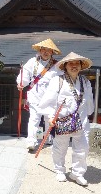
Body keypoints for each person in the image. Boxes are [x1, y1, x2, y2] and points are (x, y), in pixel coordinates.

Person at [38, 52, 95, 186]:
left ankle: (77, 173)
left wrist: (89, 114)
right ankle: (59, 170)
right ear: (65, 66)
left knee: (83, 148)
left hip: (81, 121)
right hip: (62, 121)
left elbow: (89, 102)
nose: (74, 66)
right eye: (71, 63)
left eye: (77, 63)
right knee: (60, 147)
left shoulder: (85, 82)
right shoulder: (57, 81)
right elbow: (47, 102)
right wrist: (50, 117)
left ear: (81, 66)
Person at [16, 38, 61, 153]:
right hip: (35, 95)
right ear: (40, 50)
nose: (46, 52)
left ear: (52, 52)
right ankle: (31, 141)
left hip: (50, 97)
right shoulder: (32, 62)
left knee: (48, 119)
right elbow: (24, 74)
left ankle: (47, 138)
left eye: (48, 50)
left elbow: (62, 80)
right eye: (43, 49)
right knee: (34, 119)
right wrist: (21, 83)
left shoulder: (57, 66)